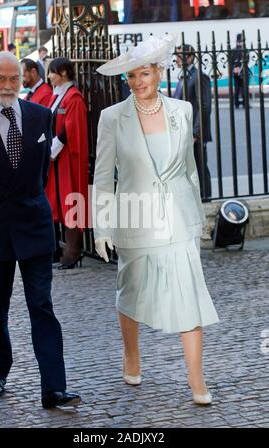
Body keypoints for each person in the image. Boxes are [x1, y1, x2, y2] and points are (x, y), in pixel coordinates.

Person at [93, 36, 219, 405]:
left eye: (144, 74)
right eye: (130, 76)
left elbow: (191, 170)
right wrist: (101, 226)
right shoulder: (113, 118)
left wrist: (198, 215)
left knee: (189, 294)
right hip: (135, 217)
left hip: (179, 218)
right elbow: (103, 176)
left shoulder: (183, 110)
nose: (137, 82)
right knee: (131, 290)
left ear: (159, 73)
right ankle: (132, 354)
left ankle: (196, 379)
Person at [0, 52, 81, 409]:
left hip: (33, 225)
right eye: (0, 78)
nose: (7, 85)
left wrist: (28, 201)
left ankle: (53, 387)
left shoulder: (40, 116)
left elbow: (42, 175)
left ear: (23, 79)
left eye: (13, 79)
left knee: (42, 305)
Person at [45, 57, 89, 269]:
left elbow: (70, 130)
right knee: (61, 200)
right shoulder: (59, 95)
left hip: (67, 158)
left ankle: (73, 250)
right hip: (58, 157)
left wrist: (53, 148)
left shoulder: (73, 98)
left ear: (62, 73)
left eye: (52, 72)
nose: (50, 76)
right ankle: (67, 249)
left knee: (70, 200)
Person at [174, 44, 212, 199]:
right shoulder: (184, 77)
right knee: (191, 168)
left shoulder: (198, 77)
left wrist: (196, 133)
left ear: (190, 57)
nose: (176, 59)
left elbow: (204, 106)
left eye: (179, 55)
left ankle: (205, 198)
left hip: (195, 134)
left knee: (200, 168)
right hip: (185, 132)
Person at [231, 33, 248, 109]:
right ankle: (236, 103)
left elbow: (247, 60)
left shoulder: (245, 50)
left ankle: (245, 103)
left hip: (244, 72)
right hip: (236, 73)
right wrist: (234, 68)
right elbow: (231, 61)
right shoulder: (233, 50)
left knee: (245, 89)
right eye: (241, 40)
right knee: (237, 89)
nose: (242, 42)